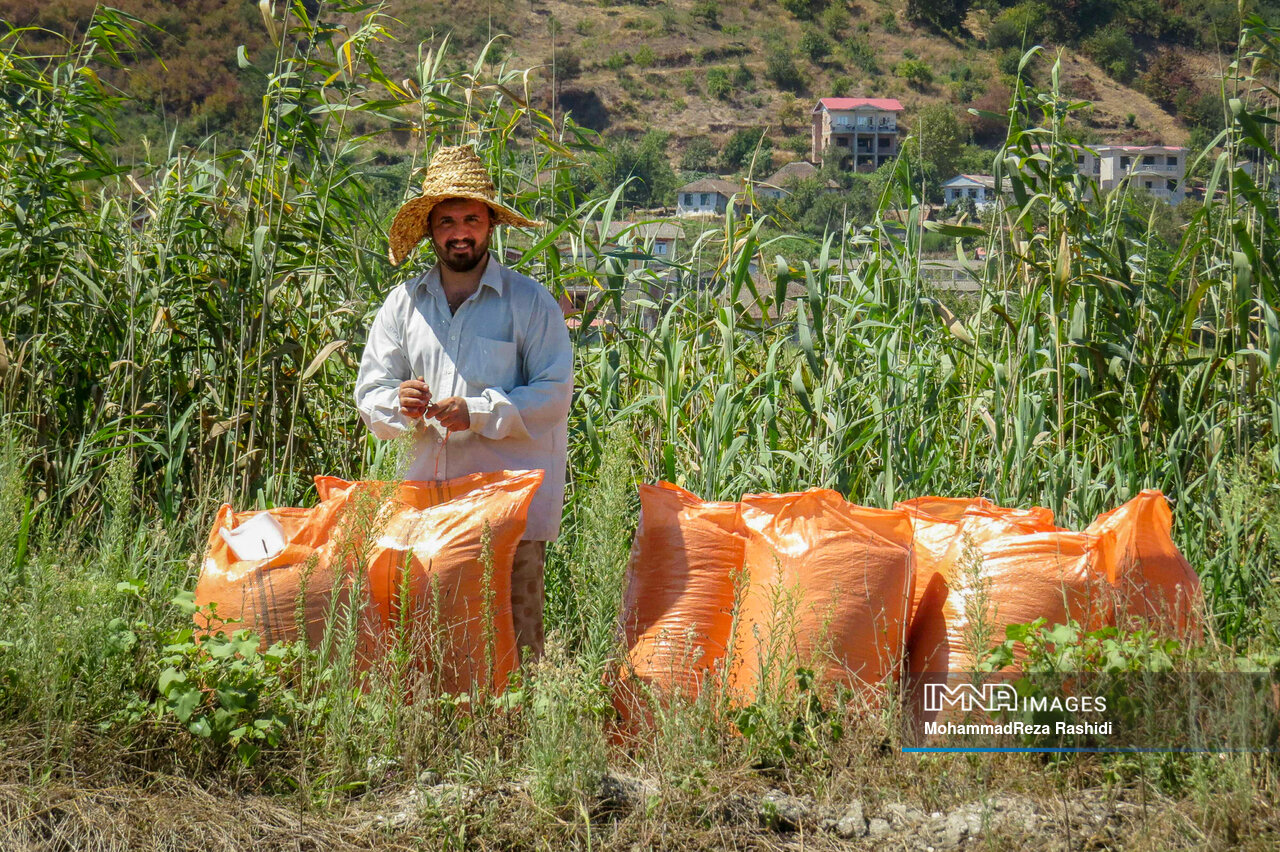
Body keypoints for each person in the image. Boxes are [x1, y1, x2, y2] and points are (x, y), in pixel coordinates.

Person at [354, 144, 572, 662]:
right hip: (424, 512)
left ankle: (519, 742)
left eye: (471, 218)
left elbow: (553, 394)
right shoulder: (401, 305)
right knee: (428, 646)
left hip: (509, 517)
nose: (459, 232)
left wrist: (476, 411)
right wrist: (399, 403)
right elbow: (370, 394)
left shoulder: (530, 302)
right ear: (430, 229)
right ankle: (436, 742)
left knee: (515, 648)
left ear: (490, 225)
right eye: (447, 220)